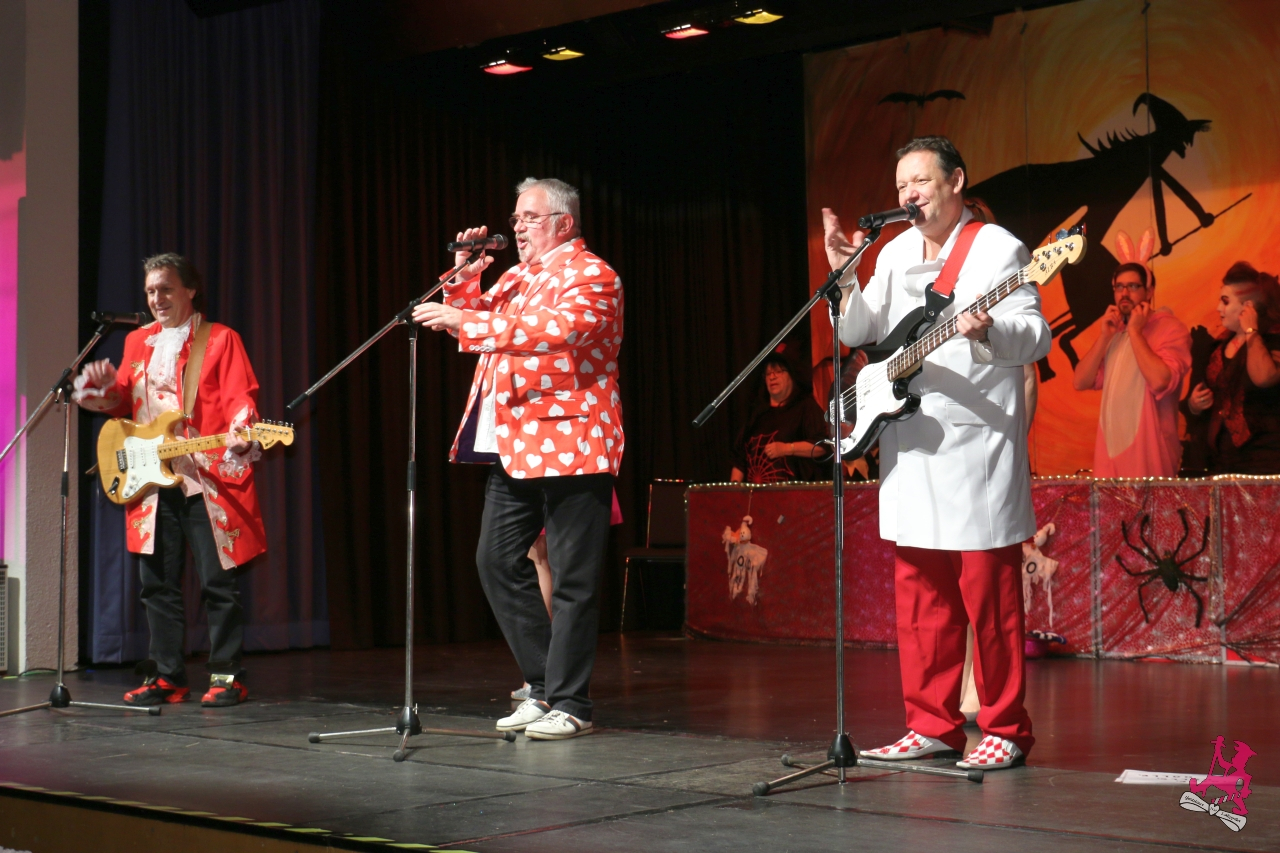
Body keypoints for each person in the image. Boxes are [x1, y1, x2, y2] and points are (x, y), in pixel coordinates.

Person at [822, 136, 1049, 770]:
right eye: (901, 187)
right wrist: (844, 278)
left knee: (989, 600)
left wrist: (990, 332)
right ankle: (931, 725)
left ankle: (1004, 728)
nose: (909, 195)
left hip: (975, 445)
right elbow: (861, 331)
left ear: (956, 181)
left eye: (920, 181)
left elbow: (1035, 333)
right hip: (910, 440)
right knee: (921, 599)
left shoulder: (997, 247)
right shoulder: (894, 251)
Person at [413, 177, 622, 740]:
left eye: (530, 217)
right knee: (495, 561)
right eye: (516, 218)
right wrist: (464, 274)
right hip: (515, 446)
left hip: (574, 444)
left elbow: (558, 331)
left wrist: (468, 320)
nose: (517, 228)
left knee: (573, 580)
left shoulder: (593, 274)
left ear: (564, 223)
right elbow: (472, 331)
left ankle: (572, 704)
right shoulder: (515, 277)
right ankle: (543, 686)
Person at [73, 254, 264, 707]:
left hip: (204, 475)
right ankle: (166, 676)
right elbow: (125, 402)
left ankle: (227, 675)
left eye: (165, 289)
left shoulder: (220, 339)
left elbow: (240, 396)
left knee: (218, 583)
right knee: (156, 584)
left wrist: (242, 428)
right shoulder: (137, 341)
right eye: (150, 291)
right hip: (150, 479)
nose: (156, 299)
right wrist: (103, 392)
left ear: (190, 290)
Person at [1071, 263, 1191, 477]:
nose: (1124, 293)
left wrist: (1135, 332)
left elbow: (1160, 381)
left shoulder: (1171, 328)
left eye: (1133, 286)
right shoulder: (1115, 332)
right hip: (1109, 459)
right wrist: (1104, 337)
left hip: (1149, 458)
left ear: (1149, 291)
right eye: (1119, 287)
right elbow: (1080, 381)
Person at [1186, 262, 1280, 474]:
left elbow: (1264, 378)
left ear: (1248, 307)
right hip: (1222, 460)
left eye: (1226, 302)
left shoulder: (1273, 338)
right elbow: (1204, 401)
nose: (1218, 308)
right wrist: (1195, 404)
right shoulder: (1217, 347)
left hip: (1266, 459)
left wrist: (1251, 330)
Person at [729, 348, 826, 483]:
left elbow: (823, 446)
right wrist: (734, 488)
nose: (772, 377)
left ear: (791, 375)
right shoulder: (757, 415)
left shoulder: (805, 407)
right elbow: (739, 459)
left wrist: (787, 449)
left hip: (795, 493)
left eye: (778, 371)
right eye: (768, 373)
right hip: (756, 494)